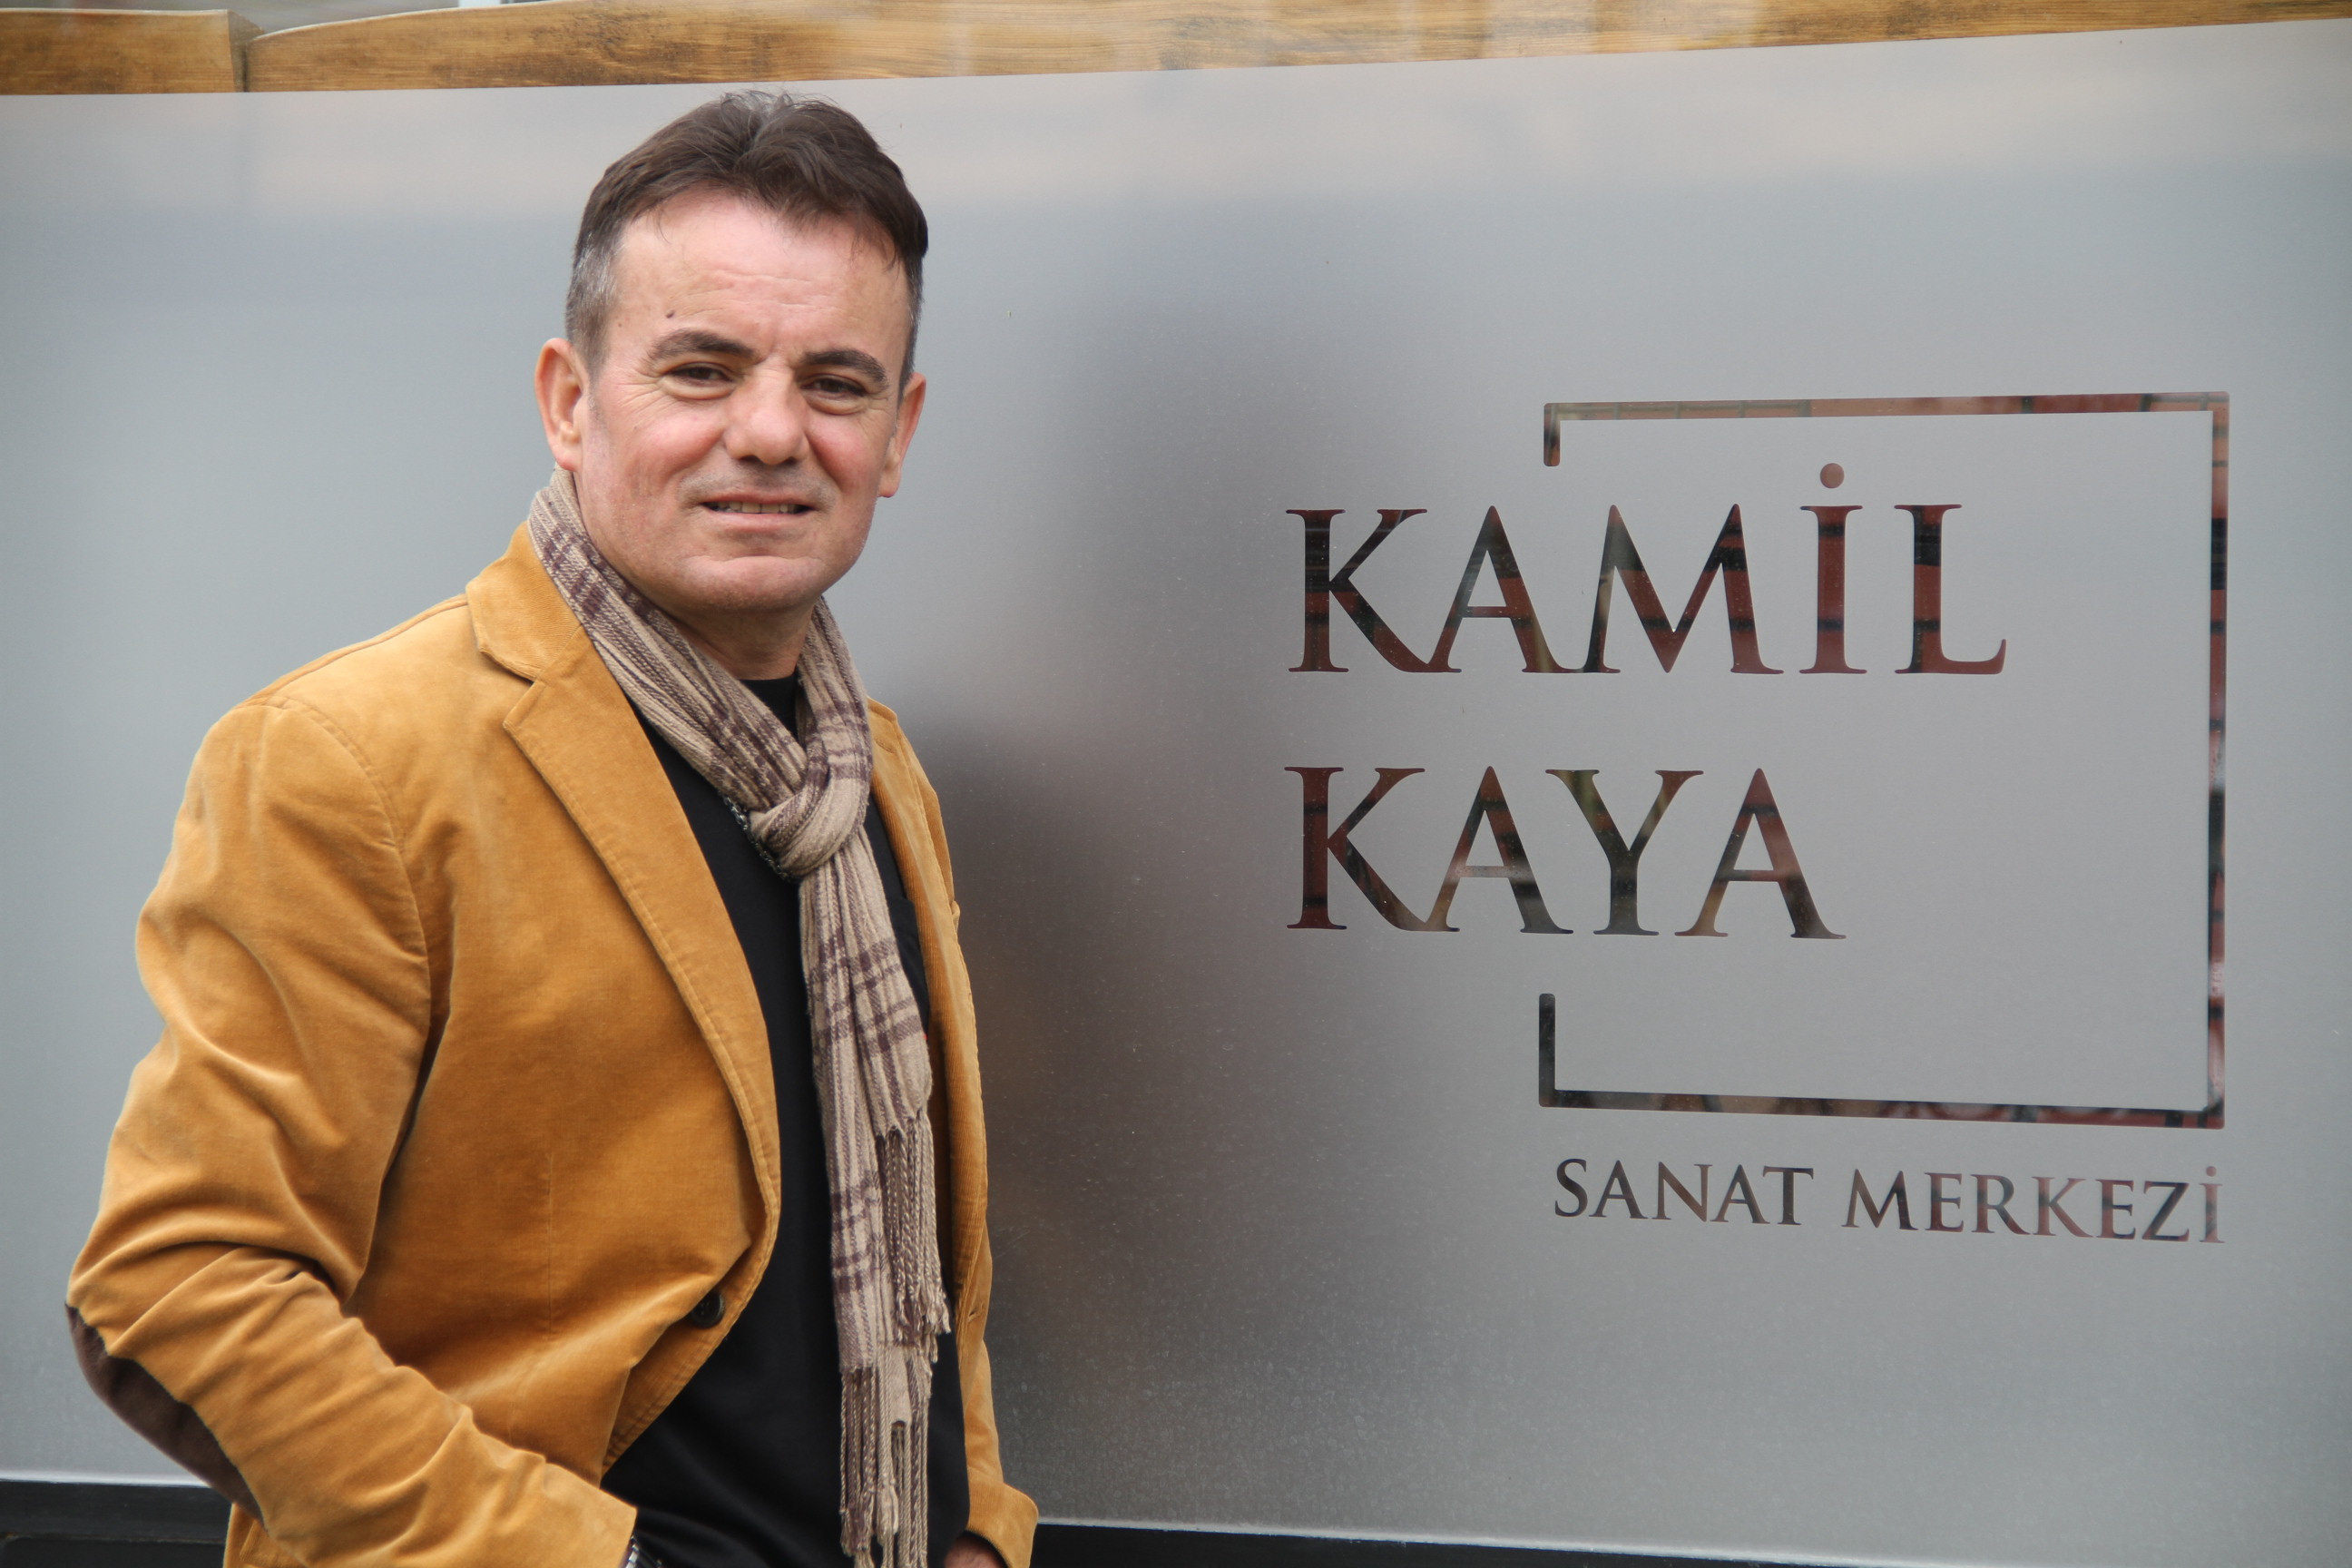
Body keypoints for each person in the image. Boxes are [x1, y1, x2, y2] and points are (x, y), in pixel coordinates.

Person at [64, 91, 1034, 1568]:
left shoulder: (873, 781)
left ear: (896, 435)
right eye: (702, 369)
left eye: (836, 384)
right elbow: (176, 1287)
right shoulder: (351, 760)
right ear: (570, 402)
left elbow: (917, 1278)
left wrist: (976, 1531)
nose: (771, 432)